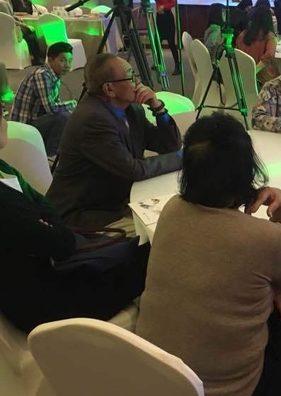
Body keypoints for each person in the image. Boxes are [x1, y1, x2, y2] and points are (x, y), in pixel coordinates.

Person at [136, 113, 281, 396]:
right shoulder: (263, 237)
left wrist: (266, 287)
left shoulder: (171, 209)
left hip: (158, 382)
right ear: (246, 172)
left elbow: (216, 265)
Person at [0, 64, 149, 333]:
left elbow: (44, 206)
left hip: (47, 271)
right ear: (108, 88)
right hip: (47, 301)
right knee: (154, 257)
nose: (5, 114)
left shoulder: (4, 168)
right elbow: (60, 242)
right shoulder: (93, 118)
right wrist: (46, 225)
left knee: (142, 251)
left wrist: (44, 222)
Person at [46, 54, 182, 231]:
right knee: (163, 230)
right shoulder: (93, 120)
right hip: (85, 213)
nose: (138, 83)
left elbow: (169, 146)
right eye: (131, 77)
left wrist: (158, 108)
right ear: (109, 89)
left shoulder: (131, 109)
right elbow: (134, 169)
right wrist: (186, 157)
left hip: (116, 198)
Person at [9, 42, 77, 157]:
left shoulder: (54, 75)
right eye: (62, 60)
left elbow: (55, 104)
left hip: (35, 119)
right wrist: (74, 104)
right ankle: (50, 155)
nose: (67, 65)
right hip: (23, 128)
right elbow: (51, 108)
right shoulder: (41, 75)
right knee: (63, 117)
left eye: (70, 61)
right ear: (50, 60)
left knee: (67, 118)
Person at [0, 0, 42, 65]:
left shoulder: (6, 1)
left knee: (31, 35)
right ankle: (37, 58)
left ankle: (36, 58)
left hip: (10, 29)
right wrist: (25, 25)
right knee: (31, 34)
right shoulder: (3, 3)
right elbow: (10, 20)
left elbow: (11, 15)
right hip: (10, 31)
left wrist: (16, 17)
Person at [235, 5, 278, 85]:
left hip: (241, 76)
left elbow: (237, 52)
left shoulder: (243, 34)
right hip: (261, 79)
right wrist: (254, 71)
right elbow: (269, 56)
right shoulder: (269, 37)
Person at [152, 0, 181, 75]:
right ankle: (158, 63)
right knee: (157, 41)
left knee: (171, 43)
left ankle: (177, 65)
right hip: (159, 17)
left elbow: (173, 2)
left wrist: (163, 7)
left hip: (167, 17)